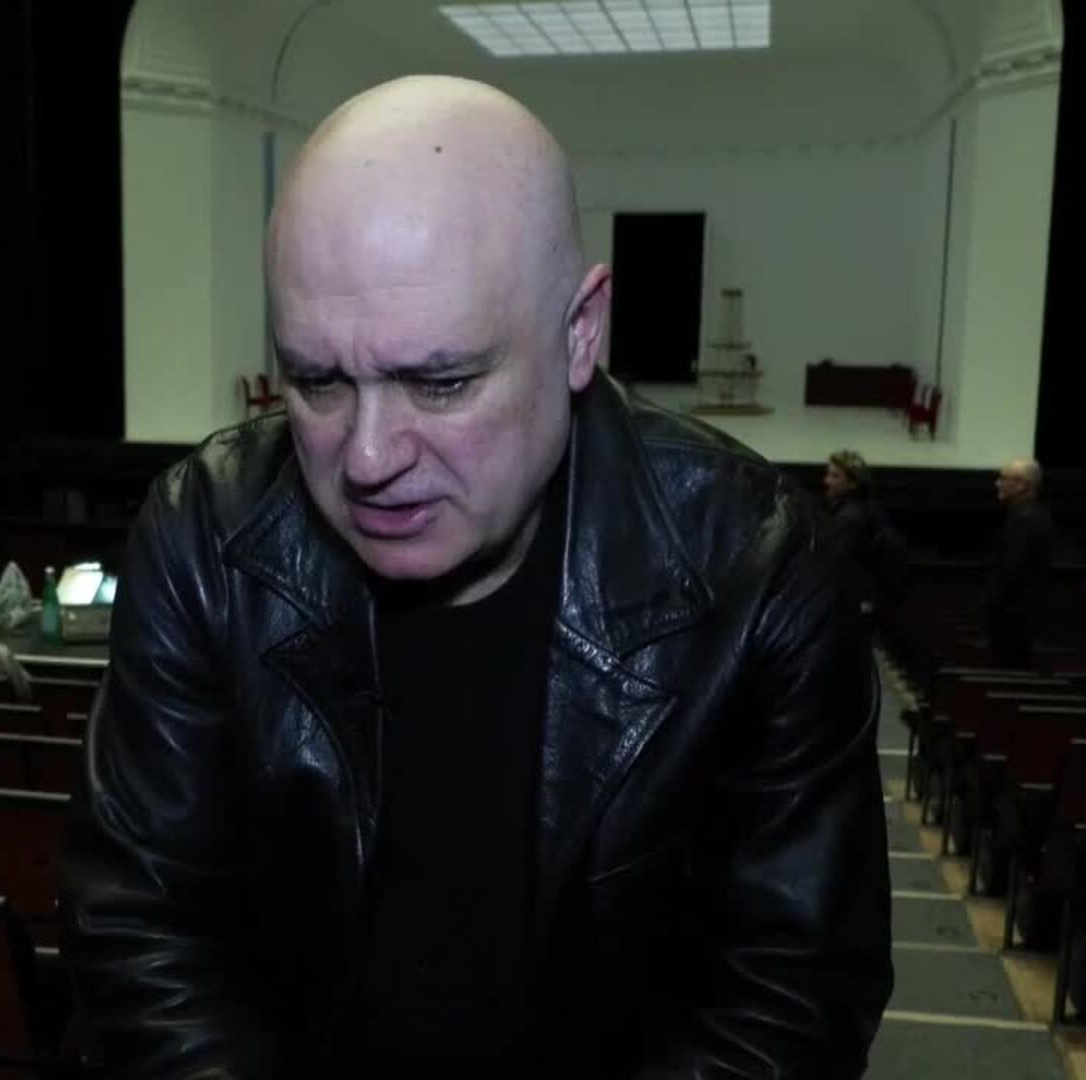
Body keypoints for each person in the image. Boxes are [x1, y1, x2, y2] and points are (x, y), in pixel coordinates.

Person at [60, 76, 891, 1077]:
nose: (369, 458)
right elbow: (139, 934)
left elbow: (794, 997)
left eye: (442, 381)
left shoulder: (761, 569)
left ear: (580, 333)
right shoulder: (201, 534)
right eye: (317, 381)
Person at [983, 457, 1052, 669]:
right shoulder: (1031, 517)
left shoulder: (1025, 522)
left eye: (1003, 478)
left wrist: (990, 604)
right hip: (1019, 621)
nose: (997, 483)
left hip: (1013, 625)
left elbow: (1010, 575)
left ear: (1022, 485)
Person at [823, 449, 899, 612]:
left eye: (835, 476)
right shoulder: (869, 508)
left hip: (855, 602)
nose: (827, 481)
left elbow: (841, 566)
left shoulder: (849, 518)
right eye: (828, 474)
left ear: (853, 483)